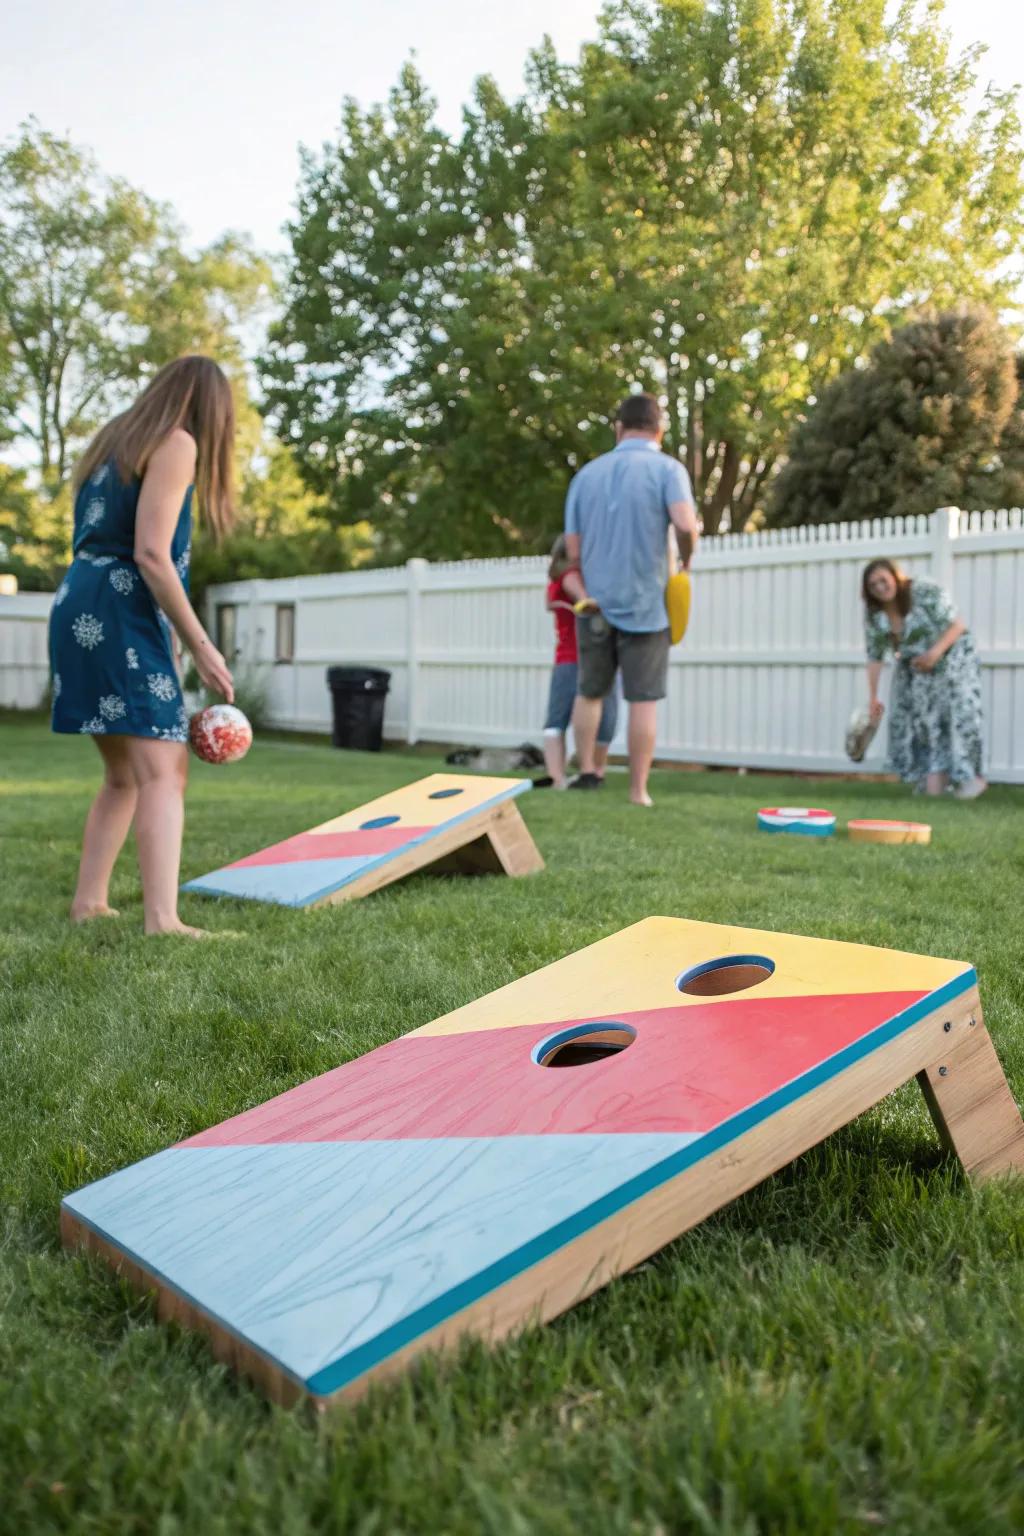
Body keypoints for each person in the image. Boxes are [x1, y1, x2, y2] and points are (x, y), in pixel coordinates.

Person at [49, 355, 237, 935]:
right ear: (210, 410)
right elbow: (152, 555)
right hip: (121, 610)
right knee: (164, 770)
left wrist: (170, 641)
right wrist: (201, 644)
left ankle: (89, 902)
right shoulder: (177, 443)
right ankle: (163, 919)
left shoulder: (115, 440)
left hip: (80, 601)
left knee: (124, 774)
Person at [565, 392, 699, 806]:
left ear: (618, 428)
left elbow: (572, 551)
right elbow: (684, 525)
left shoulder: (586, 476)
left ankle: (587, 773)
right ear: (659, 430)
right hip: (648, 602)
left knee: (589, 692)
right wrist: (686, 561)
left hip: (595, 603)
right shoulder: (668, 469)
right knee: (643, 699)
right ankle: (638, 791)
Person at [862, 557, 986, 799]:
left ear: (895, 577)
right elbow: (875, 655)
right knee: (923, 720)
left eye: (883, 580)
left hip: (953, 658)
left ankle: (971, 778)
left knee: (958, 714)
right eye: (873, 585)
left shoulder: (923, 590)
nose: (879, 587)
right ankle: (933, 779)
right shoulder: (875, 613)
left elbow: (957, 625)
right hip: (917, 667)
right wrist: (873, 697)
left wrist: (934, 654)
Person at [540, 534, 618, 788]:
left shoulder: (559, 581)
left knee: (562, 718)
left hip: (579, 657)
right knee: (596, 717)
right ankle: (576, 773)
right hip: (578, 657)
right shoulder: (570, 577)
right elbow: (580, 596)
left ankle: (568, 774)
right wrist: (587, 599)